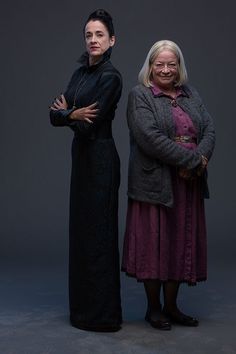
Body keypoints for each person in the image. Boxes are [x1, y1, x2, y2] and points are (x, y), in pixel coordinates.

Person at [122, 40, 215, 330]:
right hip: (155, 181)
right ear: (150, 67)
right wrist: (191, 162)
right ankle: (154, 309)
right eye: (159, 64)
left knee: (179, 241)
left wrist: (199, 159)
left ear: (179, 68)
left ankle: (173, 306)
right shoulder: (140, 96)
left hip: (187, 184)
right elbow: (149, 138)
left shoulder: (191, 94)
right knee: (154, 244)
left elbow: (209, 129)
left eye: (171, 64)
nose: (165, 69)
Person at [50, 9, 122, 332]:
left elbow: (89, 128)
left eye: (99, 35)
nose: (93, 40)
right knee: (80, 236)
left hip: (101, 161)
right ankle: (80, 312)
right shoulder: (80, 73)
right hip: (81, 162)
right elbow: (54, 114)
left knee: (99, 237)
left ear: (111, 41)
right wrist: (71, 114)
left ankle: (103, 317)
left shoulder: (111, 77)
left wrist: (72, 115)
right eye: (89, 35)